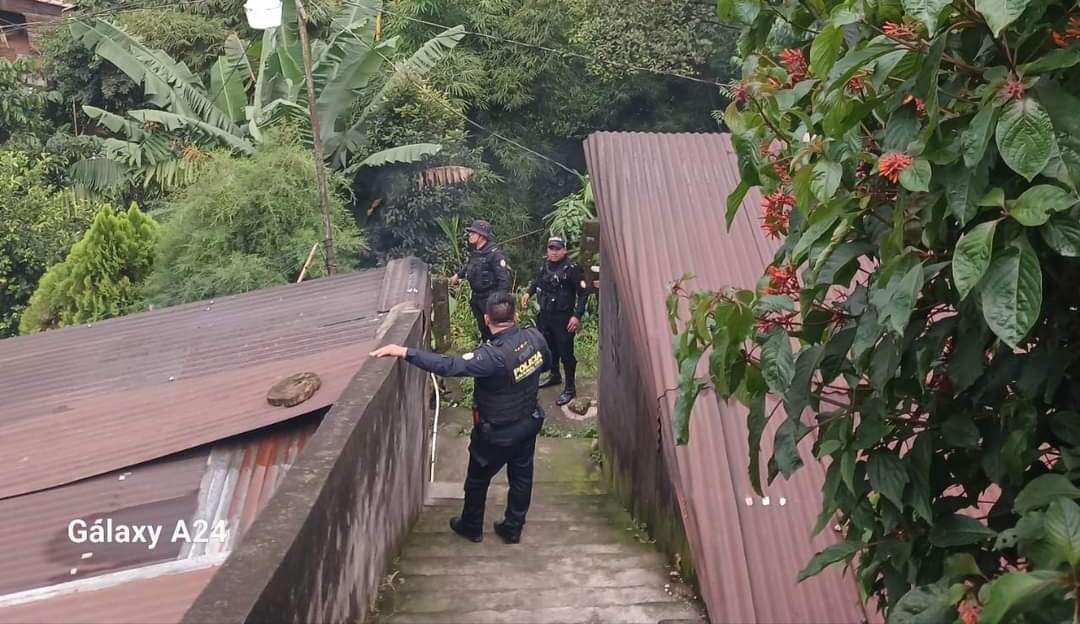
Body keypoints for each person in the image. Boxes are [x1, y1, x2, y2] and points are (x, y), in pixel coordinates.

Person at [370, 292, 550, 544]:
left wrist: (403, 351)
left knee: (477, 479)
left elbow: (449, 365)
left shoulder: (490, 357)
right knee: (522, 477)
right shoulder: (535, 337)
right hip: (528, 423)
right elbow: (547, 366)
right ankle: (513, 527)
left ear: (487, 319)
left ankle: (472, 526)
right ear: (516, 316)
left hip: (496, 433)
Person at [521, 236, 589, 407]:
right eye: (551, 248)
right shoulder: (545, 265)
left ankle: (570, 388)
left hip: (563, 318)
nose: (554, 252)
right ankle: (554, 375)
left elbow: (583, 293)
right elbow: (537, 281)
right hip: (545, 315)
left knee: (566, 353)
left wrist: (577, 316)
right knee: (549, 349)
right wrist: (528, 293)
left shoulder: (572, 268)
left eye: (557, 249)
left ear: (564, 250)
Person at [450, 219, 511, 342]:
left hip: (490, 299)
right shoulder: (477, 252)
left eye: (473, 233)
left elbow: (504, 281)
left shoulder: (495, 254)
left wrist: (498, 303)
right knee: (483, 330)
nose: (470, 235)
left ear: (482, 236)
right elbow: (469, 265)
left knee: (495, 332)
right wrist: (458, 275)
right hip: (477, 298)